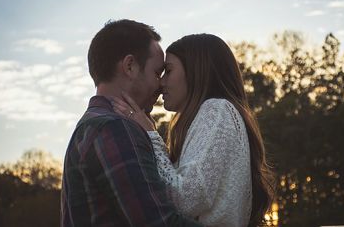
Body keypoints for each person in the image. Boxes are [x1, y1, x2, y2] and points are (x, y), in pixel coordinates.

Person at [112, 33, 274, 227]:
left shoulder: (217, 110)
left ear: (196, 71)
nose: (161, 82)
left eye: (169, 71)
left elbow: (186, 199)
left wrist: (151, 135)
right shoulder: (211, 117)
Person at [60, 19, 203, 227]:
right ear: (130, 66)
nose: (161, 84)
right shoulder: (113, 128)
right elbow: (159, 222)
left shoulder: (92, 125)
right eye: (157, 72)